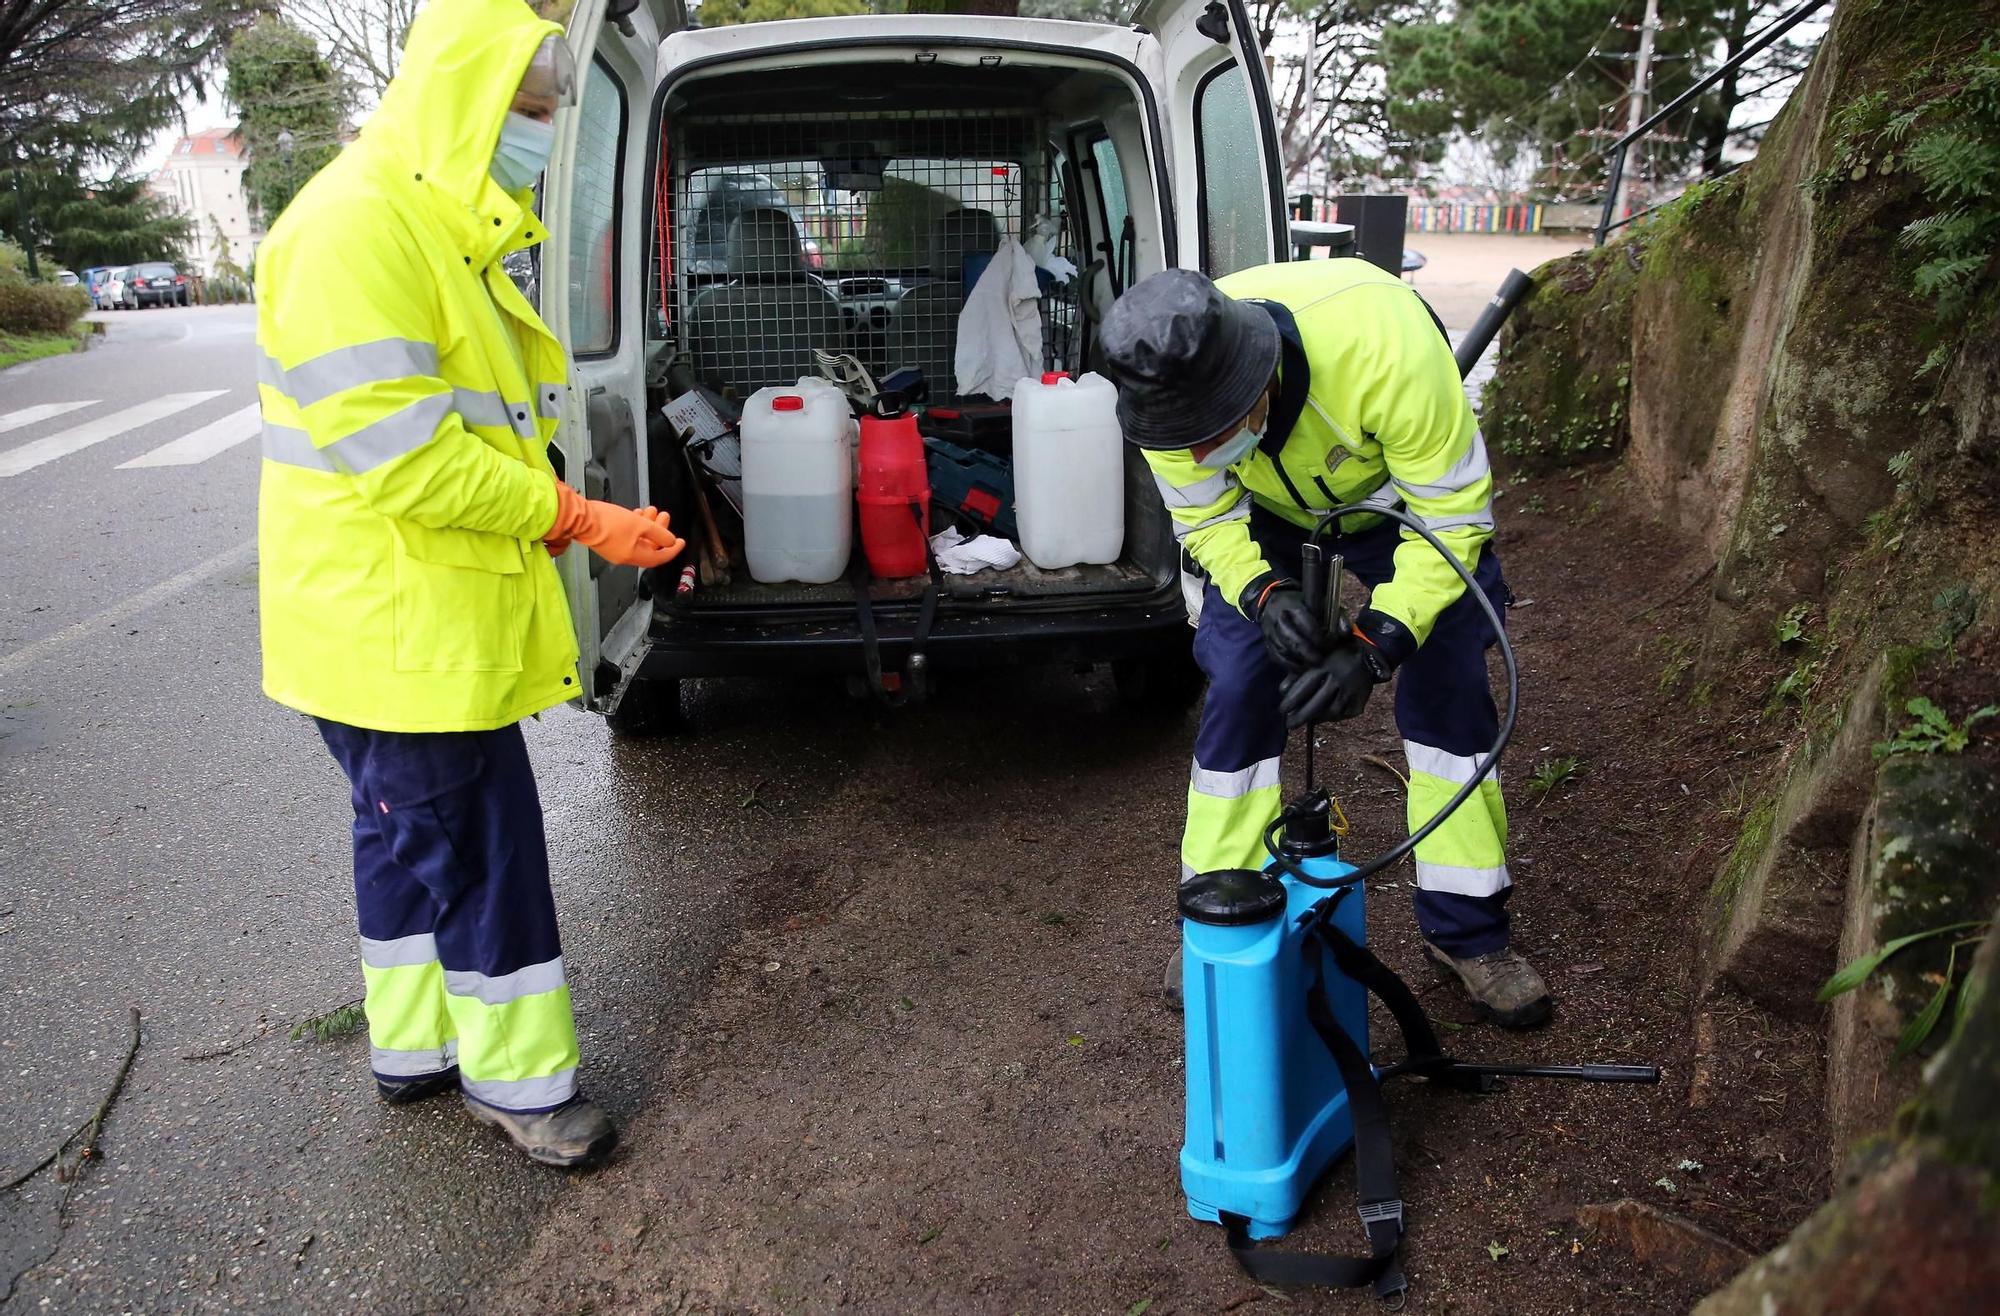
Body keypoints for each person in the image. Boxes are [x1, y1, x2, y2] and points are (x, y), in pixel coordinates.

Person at [254, 0, 684, 1167]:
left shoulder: (426, 225)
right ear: (469, 99)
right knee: (480, 844)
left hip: (386, 625)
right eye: (531, 110)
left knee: (400, 836)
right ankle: (523, 1087)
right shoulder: (354, 232)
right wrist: (573, 512)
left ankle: (413, 1048)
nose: (538, 135)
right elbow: (410, 461)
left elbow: (478, 421)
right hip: (398, 637)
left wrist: (549, 500)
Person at [1100, 262, 1551, 1028]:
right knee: (1242, 682)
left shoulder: (1387, 350)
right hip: (1268, 513)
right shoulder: (1163, 400)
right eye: (1186, 437)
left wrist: (1377, 643)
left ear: (1255, 379)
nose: (1198, 449)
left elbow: (1451, 516)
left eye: (1214, 429)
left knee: (1448, 688)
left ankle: (1468, 933)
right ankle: (1222, 917)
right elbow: (1207, 522)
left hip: (1398, 505)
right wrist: (1262, 594)